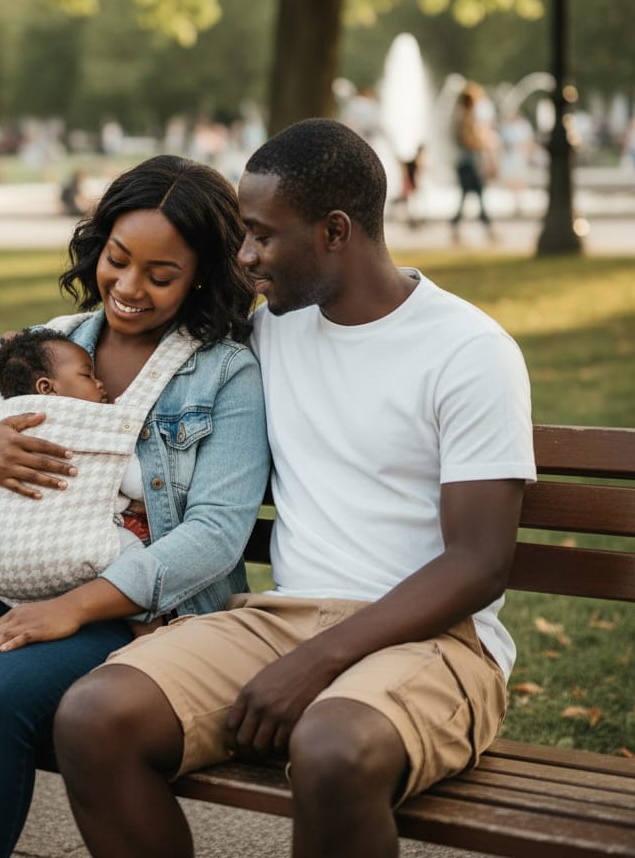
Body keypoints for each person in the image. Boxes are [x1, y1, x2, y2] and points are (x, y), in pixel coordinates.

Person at [53, 119, 536, 858]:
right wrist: (18, 355)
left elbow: (478, 563)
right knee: (95, 715)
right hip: (277, 622)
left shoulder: (468, 352)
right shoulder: (270, 333)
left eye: (261, 236)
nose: (244, 258)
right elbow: (134, 337)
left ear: (335, 231)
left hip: (439, 641)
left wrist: (320, 660)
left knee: (332, 749)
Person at [0, 155, 270, 858]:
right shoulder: (44, 344)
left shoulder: (224, 372)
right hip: (14, 581)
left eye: (161, 276)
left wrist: (73, 607)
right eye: (118, 259)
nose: (129, 288)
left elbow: (216, 537)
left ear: (201, 276)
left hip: (141, 614)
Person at [0, 328, 150, 605]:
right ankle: (148, 625)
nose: (100, 384)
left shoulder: (1, 418)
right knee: (133, 558)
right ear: (47, 388)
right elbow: (136, 483)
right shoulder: (98, 428)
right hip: (74, 548)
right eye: (88, 376)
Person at [450, 82, 498, 242]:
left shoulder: (463, 116)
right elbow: (467, 140)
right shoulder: (465, 117)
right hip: (468, 163)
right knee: (478, 194)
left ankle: (457, 225)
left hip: (467, 162)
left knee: (470, 195)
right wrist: (485, 144)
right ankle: (488, 227)